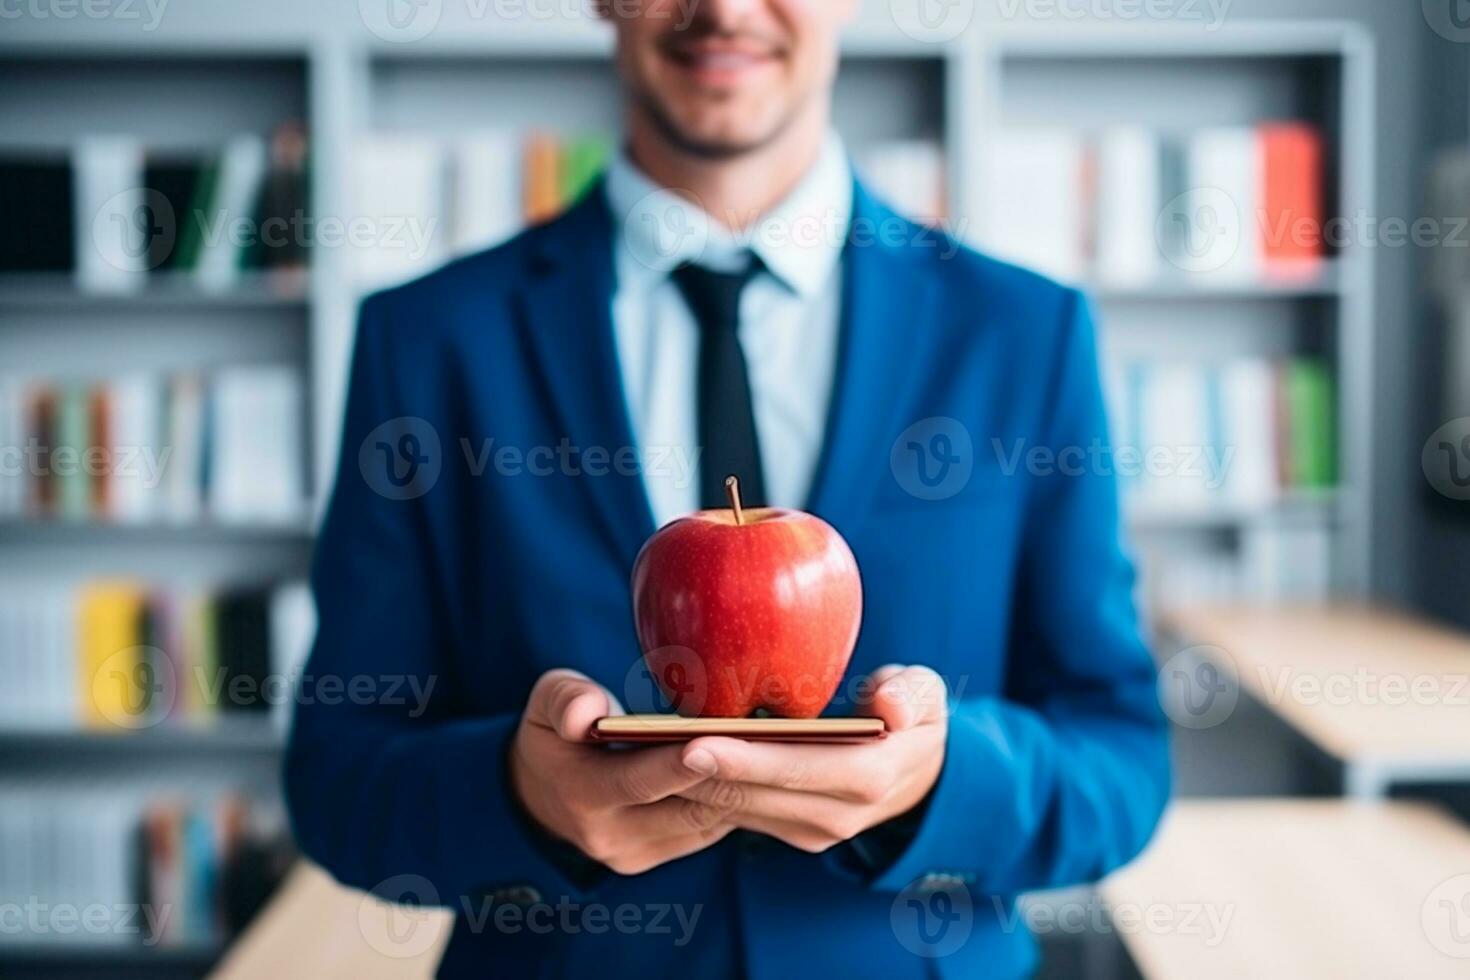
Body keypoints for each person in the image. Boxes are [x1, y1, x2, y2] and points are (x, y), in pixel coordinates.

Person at [285, 1, 1170, 976]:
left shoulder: (1021, 334)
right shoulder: (428, 341)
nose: (724, 8)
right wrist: (523, 796)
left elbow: (1121, 756)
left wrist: (943, 780)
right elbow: (338, 776)